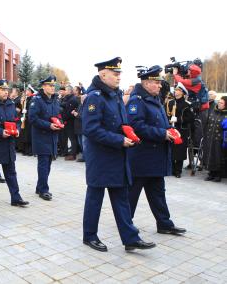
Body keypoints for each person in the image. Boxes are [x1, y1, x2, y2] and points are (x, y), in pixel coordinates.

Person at [82, 57, 155, 252]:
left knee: (121, 197)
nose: (118, 77)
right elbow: (91, 129)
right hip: (100, 157)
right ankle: (89, 236)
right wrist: (118, 140)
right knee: (95, 198)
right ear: (102, 74)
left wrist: (128, 134)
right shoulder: (95, 97)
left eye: (119, 74)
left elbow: (121, 123)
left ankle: (130, 238)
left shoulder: (114, 95)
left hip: (118, 155)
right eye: (115, 74)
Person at [126, 65, 187, 236]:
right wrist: (162, 134)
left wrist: (170, 130)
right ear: (146, 83)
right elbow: (136, 126)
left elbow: (161, 123)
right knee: (132, 195)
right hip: (142, 157)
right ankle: (125, 224)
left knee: (158, 193)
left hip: (156, 157)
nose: (160, 86)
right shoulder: (137, 101)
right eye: (156, 82)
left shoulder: (155, 99)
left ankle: (164, 224)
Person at [0, 79, 29, 207]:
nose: (5, 92)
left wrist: (18, 130)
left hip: (8, 143)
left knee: (11, 172)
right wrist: (0, 132)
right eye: (2, 89)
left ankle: (16, 197)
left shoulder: (10, 104)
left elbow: (17, 120)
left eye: (6, 90)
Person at [28, 75, 62, 201]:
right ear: (43, 86)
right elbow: (33, 119)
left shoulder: (55, 100)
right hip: (41, 136)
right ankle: (44, 190)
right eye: (50, 85)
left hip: (52, 136)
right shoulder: (36, 100)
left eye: (54, 86)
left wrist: (60, 122)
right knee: (43, 163)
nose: (53, 88)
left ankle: (39, 186)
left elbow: (58, 114)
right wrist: (49, 125)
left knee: (48, 163)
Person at [166, 82, 195, 177]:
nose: (175, 92)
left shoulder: (187, 104)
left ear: (182, 92)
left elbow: (191, 118)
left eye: (178, 90)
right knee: (171, 149)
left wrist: (178, 119)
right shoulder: (170, 102)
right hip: (171, 129)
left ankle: (178, 171)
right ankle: (171, 168)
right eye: (175, 90)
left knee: (180, 151)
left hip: (182, 130)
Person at [202, 96, 227, 182]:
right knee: (210, 155)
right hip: (210, 138)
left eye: (221, 103)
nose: (219, 104)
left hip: (220, 139)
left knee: (218, 156)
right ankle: (211, 173)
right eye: (219, 102)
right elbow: (207, 123)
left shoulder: (225, 114)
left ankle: (218, 174)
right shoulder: (213, 111)